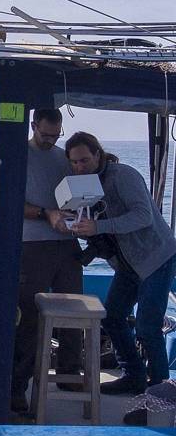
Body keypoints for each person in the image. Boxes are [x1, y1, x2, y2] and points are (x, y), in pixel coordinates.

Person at [67, 132, 176, 395]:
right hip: (127, 264)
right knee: (113, 316)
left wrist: (98, 226)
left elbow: (144, 216)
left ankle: (161, 392)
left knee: (148, 327)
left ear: (97, 154)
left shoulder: (122, 176)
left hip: (155, 258)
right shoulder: (84, 186)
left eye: (84, 160)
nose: (80, 167)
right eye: (74, 163)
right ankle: (134, 376)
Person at [11, 108, 83, 417]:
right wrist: (46, 214)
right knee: (29, 318)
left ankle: (70, 374)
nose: (51, 140)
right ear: (33, 126)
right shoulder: (17, 155)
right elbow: (9, 200)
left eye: (56, 135)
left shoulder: (62, 157)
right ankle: (17, 388)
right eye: (46, 134)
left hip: (67, 243)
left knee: (75, 311)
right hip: (32, 245)